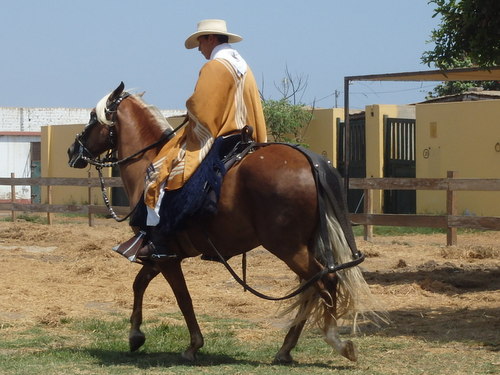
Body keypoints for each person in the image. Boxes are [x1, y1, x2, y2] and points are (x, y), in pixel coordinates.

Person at [114, 19, 267, 261]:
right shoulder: (242, 65)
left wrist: (190, 109)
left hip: (219, 135)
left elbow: (203, 108)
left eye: (200, 42)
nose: (199, 49)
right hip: (244, 136)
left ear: (211, 39)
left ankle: (159, 241)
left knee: (160, 172)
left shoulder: (215, 66)